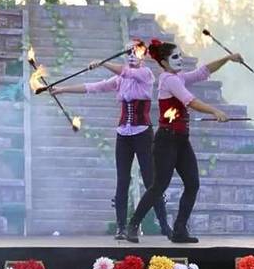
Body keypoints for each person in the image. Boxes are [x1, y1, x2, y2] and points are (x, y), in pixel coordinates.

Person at [51, 41, 172, 239]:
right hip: (123, 135)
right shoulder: (120, 79)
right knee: (122, 180)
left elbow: (128, 72)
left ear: (142, 55)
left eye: (136, 52)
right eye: (129, 52)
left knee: (152, 180)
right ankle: (121, 227)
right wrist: (62, 89)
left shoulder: (146, 74)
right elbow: (93, 87)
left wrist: (102, 63)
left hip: (143, 134)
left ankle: (165, 226)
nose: (132, 55)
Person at [124, 39, 240, 244]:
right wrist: (215, 110)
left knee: (192, 183)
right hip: (166, 141)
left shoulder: (178, 77)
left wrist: (227, 59)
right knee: (159, 186)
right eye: (175, 57)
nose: (180, 60)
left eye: (180, 56)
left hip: (181, 140)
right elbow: (191, 101)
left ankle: (179, 229)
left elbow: (202, 72)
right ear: (164, 63)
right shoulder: (169, 80)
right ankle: (133, 225)